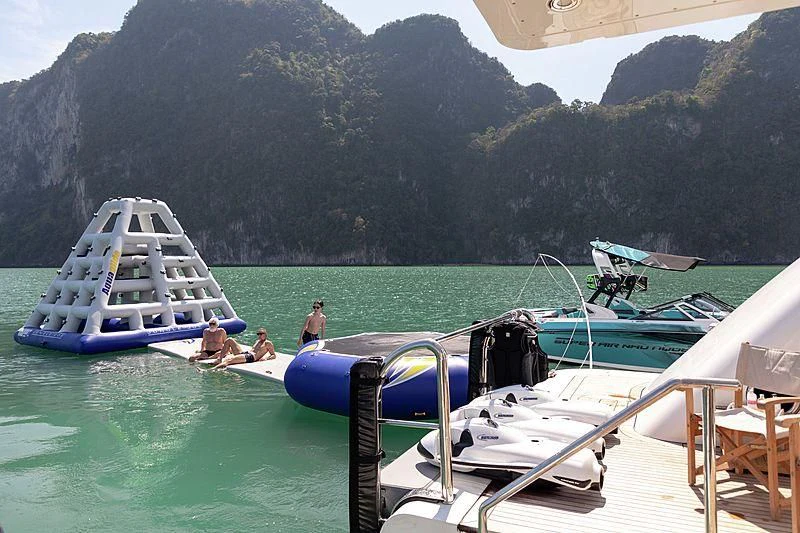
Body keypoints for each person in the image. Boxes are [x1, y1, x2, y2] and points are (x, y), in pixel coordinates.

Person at [210, 327, 276, 370]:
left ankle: (210, 370)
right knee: (229, 340)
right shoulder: (257, 341)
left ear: (265, 334)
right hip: (246, 354)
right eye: (258, 334)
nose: (259, 335)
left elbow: (273, 355)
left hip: (251, 357)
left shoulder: (268, 343)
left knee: (229, 360)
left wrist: (266, 358)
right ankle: (219, 359)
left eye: (261, 334)